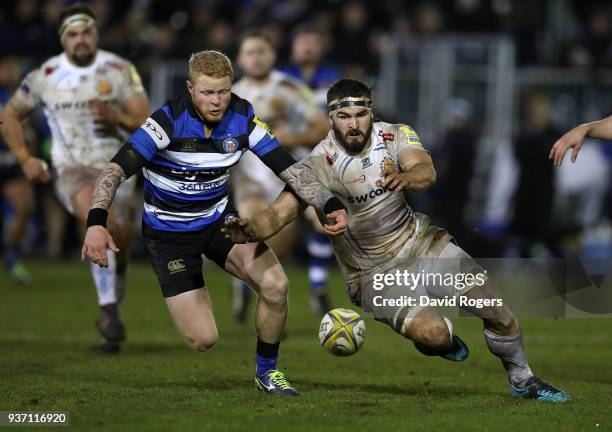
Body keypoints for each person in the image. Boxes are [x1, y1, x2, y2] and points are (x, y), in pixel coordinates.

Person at [224, 78, 571, 403]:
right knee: (435, 335)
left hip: (422, 245)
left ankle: (524, 380)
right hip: (373, 274)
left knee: (497, 312)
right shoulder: (317, 165)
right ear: (331, 118)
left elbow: (426, 171)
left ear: (371, 111)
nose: (354, 124)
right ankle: (438, 340)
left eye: (361, 114)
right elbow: (278, 214)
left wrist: (406, 176)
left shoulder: (395, 135)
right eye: (344, 116)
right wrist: (251, 229)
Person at [80, 50, 348, 397]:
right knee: (203, 339)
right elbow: (113, 170)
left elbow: (291, 169)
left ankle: (267, 373)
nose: (217, 100)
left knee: (276, 286)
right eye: (208, 92)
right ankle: (194, 281)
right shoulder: (166, 123)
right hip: (170, 237)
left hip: (219, 224)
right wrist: (96, 222)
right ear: (190, 88)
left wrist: (329, 203)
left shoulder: (242, 120)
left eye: (223, 91)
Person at [0, 4, 150, 353]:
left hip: (117, 168)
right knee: (100, 223)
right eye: (72, 33)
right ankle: (108, 311)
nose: (80, 40)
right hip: (72, 170)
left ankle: (112, 311)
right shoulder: (44, 76)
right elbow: (8, 115)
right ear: (62, 38)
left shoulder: (119, 69)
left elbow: (142, 117)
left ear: (95, 35)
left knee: (122, 243)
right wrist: (25, 159)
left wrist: (116, 117)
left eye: (86, 32)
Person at [231, 30, 331, 320]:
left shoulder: (289, 87)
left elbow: (322, 128)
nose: (257, 58)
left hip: (284, 180)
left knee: (277, 250)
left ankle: (248, 287)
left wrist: (291, 136)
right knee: (251, 231)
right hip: (250, 181)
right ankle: (270, 311)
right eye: (250, 52)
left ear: (273, 56)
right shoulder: (232, 96)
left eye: (262, 51)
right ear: (240, 59)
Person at [0, 56, 34, 284]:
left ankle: (11, 258)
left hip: (9, 164)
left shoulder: (20, 99)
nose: (10, 72)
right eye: (6, 68)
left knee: (24, 206)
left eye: (13, 68)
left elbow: (29, 134)